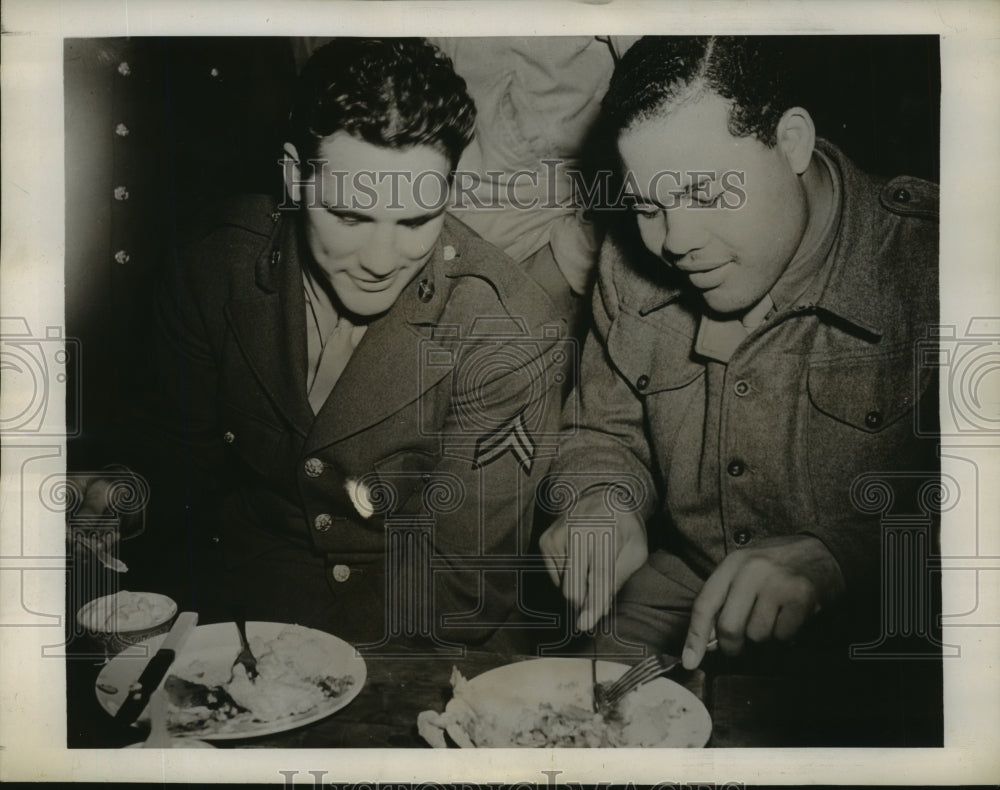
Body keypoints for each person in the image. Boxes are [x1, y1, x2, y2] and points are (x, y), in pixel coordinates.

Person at [117, 38, 572, 652]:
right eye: (351, 217)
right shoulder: (212, 265)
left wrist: (289, 672)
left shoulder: (509, 332)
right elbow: (177, 479)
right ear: (292, 176)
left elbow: (460, 584)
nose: (382, 262)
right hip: (234, 604)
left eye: (416, 221)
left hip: (409, 638)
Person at [539, 36, 939, 668]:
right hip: (678, 599)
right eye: (649, 205)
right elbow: (602, 429)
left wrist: (845, 555)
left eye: (703, 192)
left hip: (890, 630)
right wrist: (601, 499)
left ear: (793, 141)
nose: (676, 241)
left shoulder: (941, 267)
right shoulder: (627, 265)